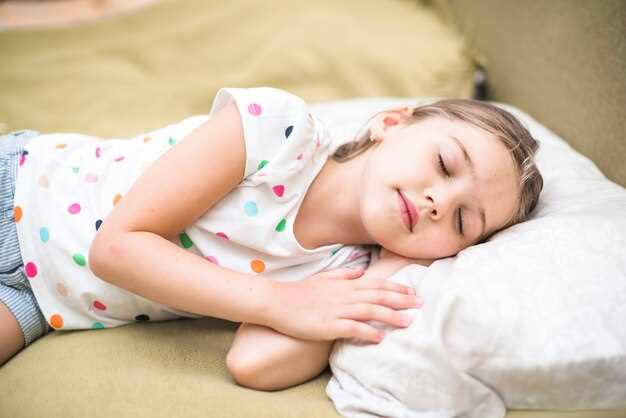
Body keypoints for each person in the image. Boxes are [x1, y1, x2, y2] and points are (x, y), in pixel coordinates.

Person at [0, 87, 543, 392]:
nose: (437, 202)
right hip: (19, 186)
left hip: (42, 302)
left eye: (461, 222)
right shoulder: (278, 132)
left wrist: (387, 270)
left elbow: (254, 365)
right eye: (444, 164)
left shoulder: (344, 273)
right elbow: (117, 248)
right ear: (392, 124)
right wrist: (280, 302)